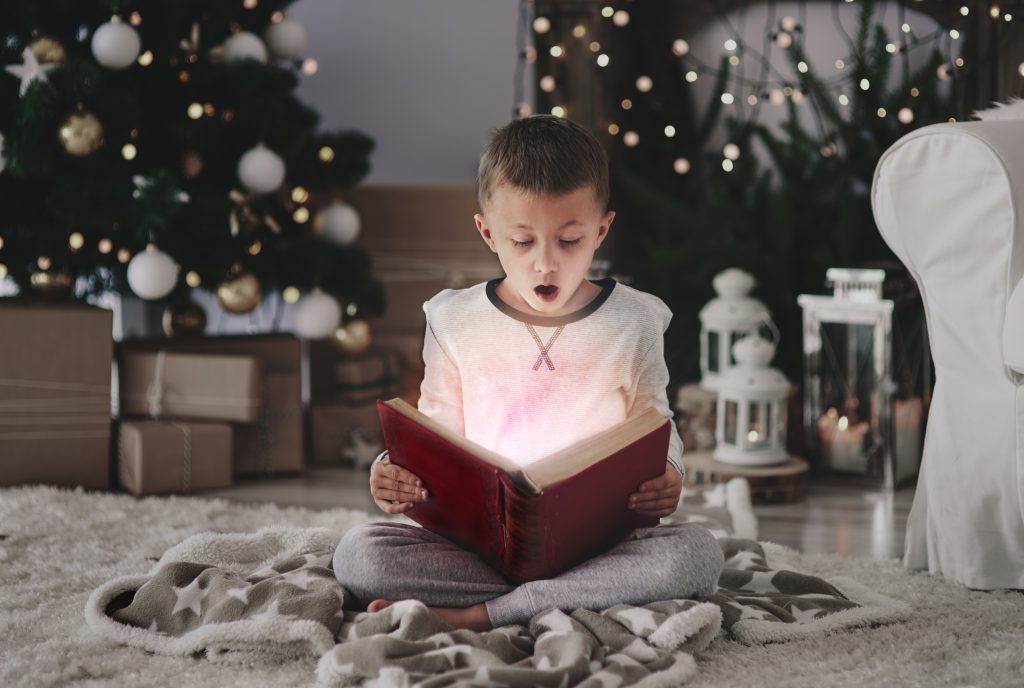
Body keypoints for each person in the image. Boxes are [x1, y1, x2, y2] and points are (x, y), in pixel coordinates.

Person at [333, 115, 724, 631]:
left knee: (695, 554)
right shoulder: (452, 318)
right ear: (488, 232)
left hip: (597, 546)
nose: (546, 264)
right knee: (360, 555)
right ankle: (556, 599)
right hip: (481, 548)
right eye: (522, 242)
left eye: (569, 241)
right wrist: (392, 470)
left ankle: (480, 615)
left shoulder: (636, 319)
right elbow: (433, 431)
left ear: (601, 230)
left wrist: (670, 471)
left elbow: (656, 423)